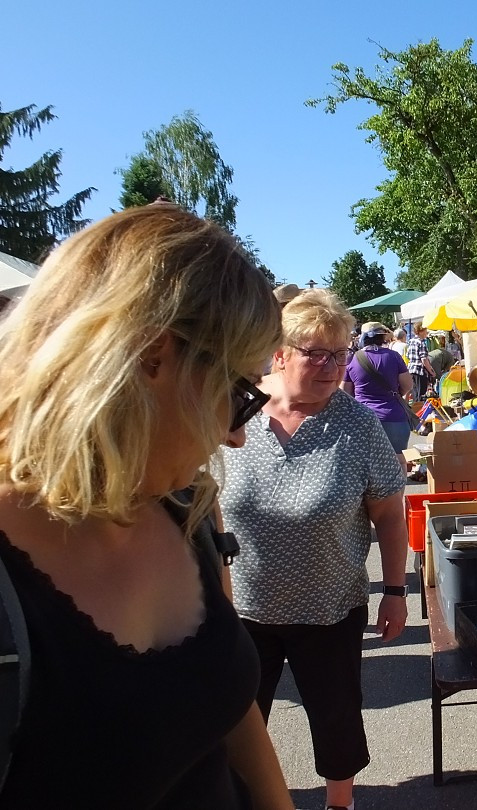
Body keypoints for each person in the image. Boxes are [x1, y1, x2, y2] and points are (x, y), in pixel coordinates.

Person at [0, 204, 292, 809]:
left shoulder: (187, 508)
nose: (238, 435)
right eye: (240, 395)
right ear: (151, 357)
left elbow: (231, 710)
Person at [218, 289, 409, 810]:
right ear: (279, 354)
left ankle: (339, 803)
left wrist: (395, 590)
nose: (330, 366)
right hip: (242, 609)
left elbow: (392, 516)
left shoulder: (358, 425)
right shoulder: (235, 411)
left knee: (336, 718)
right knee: (237, 720)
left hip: (329, 607)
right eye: (314, 353)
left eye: (340, 354)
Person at [342, 321, 413, 471]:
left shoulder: (353, 359)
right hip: (394, 416)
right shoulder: (393, 356)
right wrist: (395, 393)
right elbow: (408, 385)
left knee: (367, 466)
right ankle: (398, 495)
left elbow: (345, 393)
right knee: (399, 462)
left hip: (363, 417)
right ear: (383, 337)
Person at [406, 325, 435, 402]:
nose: (427, 332)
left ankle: (416, 411)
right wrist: (431, 372)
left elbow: (408, 355)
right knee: (421, 394)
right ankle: (420, 411)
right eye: (425, 330)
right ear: (421, 331)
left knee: (415, 393)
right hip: (419, 370)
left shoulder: (411, 341)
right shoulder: (421, 343)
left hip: (411, 369)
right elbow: (424, 360)